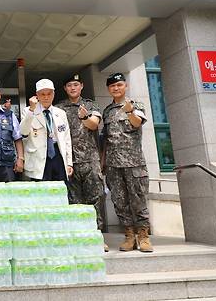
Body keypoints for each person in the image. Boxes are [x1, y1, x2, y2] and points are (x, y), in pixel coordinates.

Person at [101, 72, 152, 252]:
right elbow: (106, 140)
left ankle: (144, 236)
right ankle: (129, 235)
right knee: (120, 202)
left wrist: (129, 110)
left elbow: (137, 123)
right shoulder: (107, 111)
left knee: (138, 200)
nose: (116, 88)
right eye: (112, 86)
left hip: (134, 163)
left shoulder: (135, 105)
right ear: (109, 89)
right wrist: (102, 163)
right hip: (114, 165)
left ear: (125, 86)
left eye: (119, 85)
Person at [57, 74, 108, 252]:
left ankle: (96, 237)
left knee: (94, 198)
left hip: (90, 159)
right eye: (69, 85)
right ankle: (79, 238)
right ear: (65, 88)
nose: (73, 88)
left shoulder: (90, 105)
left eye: (76, 84)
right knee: (74, 202)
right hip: (69, 162)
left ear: (81, 86)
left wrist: (85, 118)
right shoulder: (59, 108)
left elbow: (94, 124)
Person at [20, 78, 73, 182]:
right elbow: (23, 132)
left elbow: (67, 139)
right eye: (42, 94)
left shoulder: (60, 113)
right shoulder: (28, 111)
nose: (46, 97)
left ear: (53, 94)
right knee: (41, 193)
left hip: (58, 154)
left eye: (49, 94)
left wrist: (69, 162)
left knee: (60, 190)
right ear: (37, 95)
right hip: (38, 158)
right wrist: (31, 110)